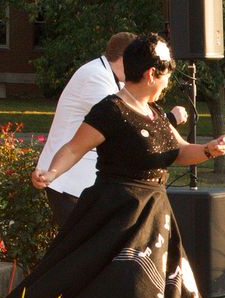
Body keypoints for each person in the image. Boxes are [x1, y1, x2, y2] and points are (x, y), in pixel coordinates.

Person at [4, 33, 225, 298]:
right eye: (166, 75)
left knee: (163, 286)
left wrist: (207, 150)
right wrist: (50, 172)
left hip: (155, 212)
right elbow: (75, 147)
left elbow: (177, 152)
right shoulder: (110, 109)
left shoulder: (154, 113)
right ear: (152, 73)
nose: (168, 82)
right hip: (120, 212)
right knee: (122, 292)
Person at [37, 32, 188, 227]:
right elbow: (124, 122)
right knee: (84, 252)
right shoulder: (95, 76)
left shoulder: (108, 75)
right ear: (126, 59)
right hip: (68, 181)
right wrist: (171, 119)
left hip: (83, 183)